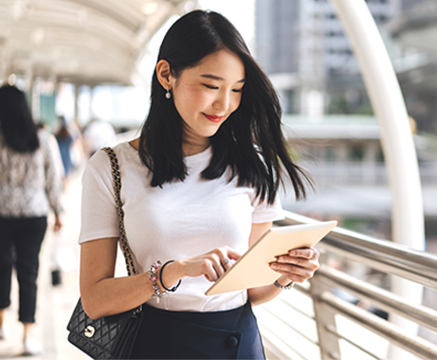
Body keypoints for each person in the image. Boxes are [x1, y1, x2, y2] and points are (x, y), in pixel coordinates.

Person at [78, 10, 317, 359]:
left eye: (236, 90)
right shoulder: (111, 167)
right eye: (210, 86)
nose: (224, 104)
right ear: (166, 75)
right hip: (156, 344)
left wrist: (286, 275)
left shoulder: (254, 165)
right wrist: (170, 273)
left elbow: (251, 291)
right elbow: (95, 300)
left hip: (237, 344)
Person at [0, 85, 64, 356]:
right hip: (35, 215)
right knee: (29, 272)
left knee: (1, 269)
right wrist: (58, 210)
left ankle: (1, 325)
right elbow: (54, 178)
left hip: (2, 214)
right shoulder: (42, 139)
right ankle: (27, 335)